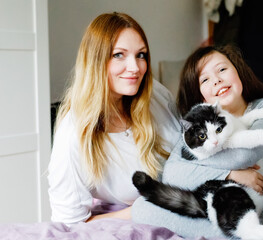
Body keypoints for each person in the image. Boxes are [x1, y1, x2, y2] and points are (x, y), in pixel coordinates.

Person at [131, 45, 263, 238]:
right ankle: (261, 233)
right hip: (223, 207)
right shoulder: (197, 128)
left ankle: (249, 231)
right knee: (142, 208)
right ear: (200, 95)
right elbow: (172, 174)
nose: (217, 80)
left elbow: (244, 155)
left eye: (222, 69)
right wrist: (229, 174)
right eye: (205, 80)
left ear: (238, 71)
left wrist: (193, 166)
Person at [47, 12, 181, 225]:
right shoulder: (73, 134)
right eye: (119, 55)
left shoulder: (157, 94)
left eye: (141, 55)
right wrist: (143, 210)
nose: (135, 68)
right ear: (95, 60)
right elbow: (70, 224)